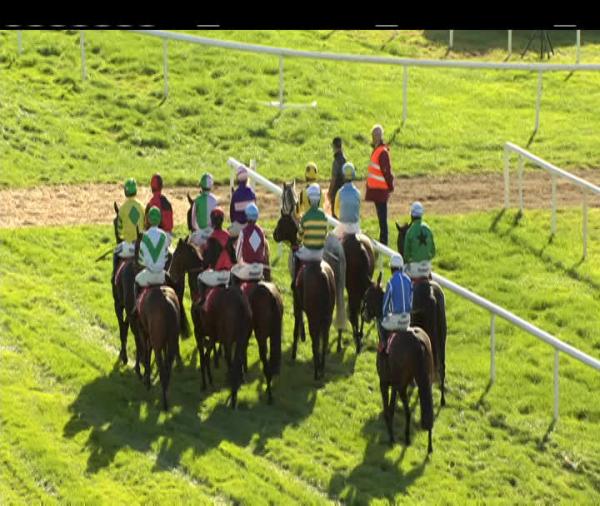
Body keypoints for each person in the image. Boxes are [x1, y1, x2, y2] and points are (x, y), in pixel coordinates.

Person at [133, 206, 172, 310]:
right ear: (160, 219)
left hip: (148, 275)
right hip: (162, 276)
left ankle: (135, 309)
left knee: (136, 280)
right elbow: (166, 255)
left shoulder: (144, 236)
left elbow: (141, 260)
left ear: (148, 219)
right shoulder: (164, 235)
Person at [197, 207, 236, 301]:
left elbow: (206, 262)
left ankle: (202, 300)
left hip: (216, 276)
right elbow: (234, 258)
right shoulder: (228, 236)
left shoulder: (211, 238)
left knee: (199, 277)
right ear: (222, 220)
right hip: (229, 276)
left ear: (212, 221)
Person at [365, 124, 394, 245]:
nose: (373, 137)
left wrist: (390, 186)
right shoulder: (379, 150)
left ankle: (384, 242)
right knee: (381, 218)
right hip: (377, 190)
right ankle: (383, 241)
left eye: (375, 135)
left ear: (379, 136)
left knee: (382, 219)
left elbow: (386, 171)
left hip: (380, 190)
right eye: (373, 135)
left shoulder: (381, 152)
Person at [378, 253, 413, 354]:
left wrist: (385, 315)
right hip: (407, 320)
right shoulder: (408, 280)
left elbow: (385, 305)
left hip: (396, 320)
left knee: (380, 322)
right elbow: (411, 300)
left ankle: (384, 344)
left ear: (391, 268)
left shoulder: (391, 282)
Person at [113, 178, 145, 283]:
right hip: (140, 247)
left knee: (115, 252)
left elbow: (119, 230)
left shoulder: (122, 209)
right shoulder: (141, 207)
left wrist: (123, 236)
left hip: (128, 246)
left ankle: (114, 279)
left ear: (125, 192)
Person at [294, 183, 329, 277]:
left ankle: (295, 280)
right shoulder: (324, 215)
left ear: (309, 200)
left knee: (295, 255)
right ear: (319, 200)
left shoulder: (305, 216)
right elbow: (325, 233)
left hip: (308, 252)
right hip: (320, 253)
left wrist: (298, 241)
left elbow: (300, 235)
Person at [231, 203, 269, 282]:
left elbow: (237, 255)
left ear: (246, 216)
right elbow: (263, 254)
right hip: (259, 271)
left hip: (247, 270)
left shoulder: (244, 232)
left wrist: (239, 263)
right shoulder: (261, 231)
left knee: (232, 271)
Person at [403, 201, 436, 280]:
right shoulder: (428, 229)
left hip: (414, 270)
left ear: (411, 215)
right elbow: (433, 252)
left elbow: (406, 255)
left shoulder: (410, 231)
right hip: (427, 269)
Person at [333, 162, 361, 240]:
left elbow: (335, 211)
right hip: (355, 227)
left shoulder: (339, 192)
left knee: (330, 239)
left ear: (343, 176)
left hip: (343, 226)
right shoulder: (358, 193)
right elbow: (358, 210)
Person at [190, 172, 218, 249]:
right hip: (212, 234)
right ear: (211, 186)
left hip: (199, 235)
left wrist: (198, 230)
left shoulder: (197, 200)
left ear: (201, 186)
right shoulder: (214, 200)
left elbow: (193, 222)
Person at [229, 164, 257, 238]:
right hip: (249, 227)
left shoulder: (235, 195)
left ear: (237, 179)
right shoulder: (252, 194)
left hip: (237, 228)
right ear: (247, 179)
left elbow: (231, 214)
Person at [145, 173, 174, 237]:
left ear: (151, 187)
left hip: (155, 235)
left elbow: (146, 226)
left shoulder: (150, 204)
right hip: (167, 236)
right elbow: (170, 226)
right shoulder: (167, 203)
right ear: (161, 186)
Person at [327, 137, 346, 219]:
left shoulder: (336, 161)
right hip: (344, 190)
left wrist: (330, 191)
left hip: (336, 191)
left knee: (335, 215)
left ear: (334, 147)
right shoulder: (345, 159)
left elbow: (334, 178)